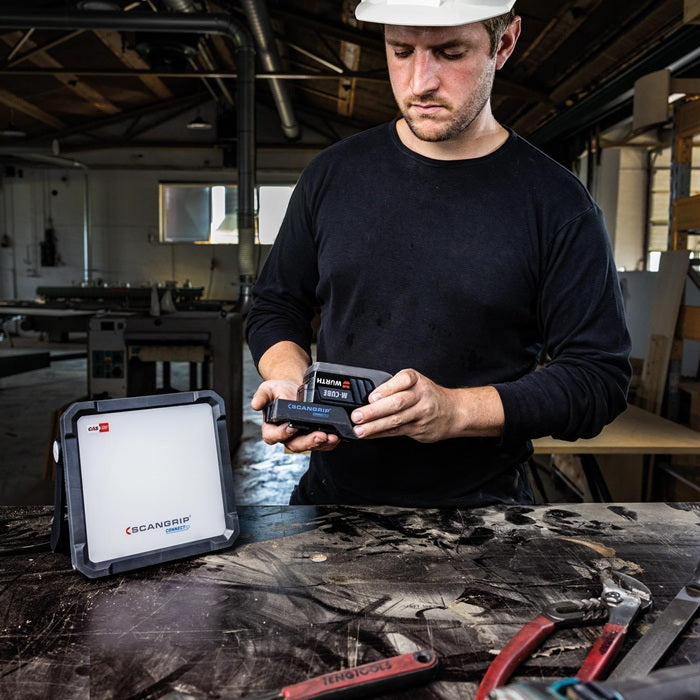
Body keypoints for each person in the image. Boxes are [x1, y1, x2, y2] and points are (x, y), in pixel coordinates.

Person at [244, 0, 632, 507]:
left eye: (450, 53)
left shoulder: (557, 204)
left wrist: (456, 411)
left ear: (504, 43)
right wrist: (290, 380)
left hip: (485, 518)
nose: (420, 82)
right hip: (332, 503)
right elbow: (276, 305)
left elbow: (598, 378)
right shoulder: (332, 175)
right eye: (401, 51)